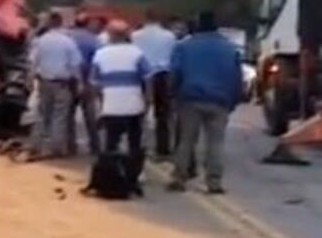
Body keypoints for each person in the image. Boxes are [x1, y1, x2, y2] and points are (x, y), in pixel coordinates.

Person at [167, 11, 243, 195]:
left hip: (190, 98)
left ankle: (179, 178)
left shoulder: (184, 47)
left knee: (186, 141)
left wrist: (173, 95)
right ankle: (214, 182)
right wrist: (233, 100)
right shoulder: (230, 48)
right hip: (219, 100)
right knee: (216, 143)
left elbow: (175, 73)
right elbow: (237, 77)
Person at [91, 20, 151, 157]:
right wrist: (148, 99)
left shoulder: (100, 54)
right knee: (134, 142)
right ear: (127, 35)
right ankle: (133, 172)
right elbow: (147, 79)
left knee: (111, 142)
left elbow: (95, 84)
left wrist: (101, 104)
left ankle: (112, 171)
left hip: (111, 107)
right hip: (134, 106)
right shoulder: (137, 53)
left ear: (109, 35)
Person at [29, 12, 82, 157]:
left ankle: (35, 145)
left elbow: (33, 62)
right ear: (61, 23)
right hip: (62, 83)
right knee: (59, 116)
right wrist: (79, 83)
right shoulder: (68, 41)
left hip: (44, 82)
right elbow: (75, 65)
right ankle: (56, 148)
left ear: (49, 23)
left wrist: (31, 79)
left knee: (42, 114)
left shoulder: (41, 40)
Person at [131, 10, 177, 158]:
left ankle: (137, 144)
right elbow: (173, 58)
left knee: (138, 112)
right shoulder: (170, 36)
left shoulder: (135, 36)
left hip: (141, 76)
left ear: (145, 18)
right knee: (162, 114)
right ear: (159, 19)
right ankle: (162, 148)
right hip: (162, 75)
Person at [66, 14, 102, 154]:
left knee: (69, 115)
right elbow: (98, 62)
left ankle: (70, 146)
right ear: (87, 24)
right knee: (90, 116)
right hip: (88, 80)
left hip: (70, 80)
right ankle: (95, 146)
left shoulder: (68, 38)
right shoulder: (94, 39)